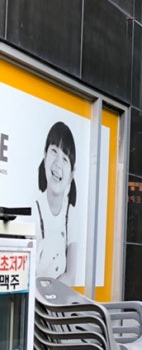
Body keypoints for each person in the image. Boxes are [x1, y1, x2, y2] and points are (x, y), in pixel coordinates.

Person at [34, 121, 79, 284]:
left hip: (59, 298)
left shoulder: (70, 214)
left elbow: (71, 275)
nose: (58, 163)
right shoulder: (33, 210)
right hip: (35, 298)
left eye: (65, 159)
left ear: (72, 174)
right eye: (54, 151)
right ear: (45, 155)